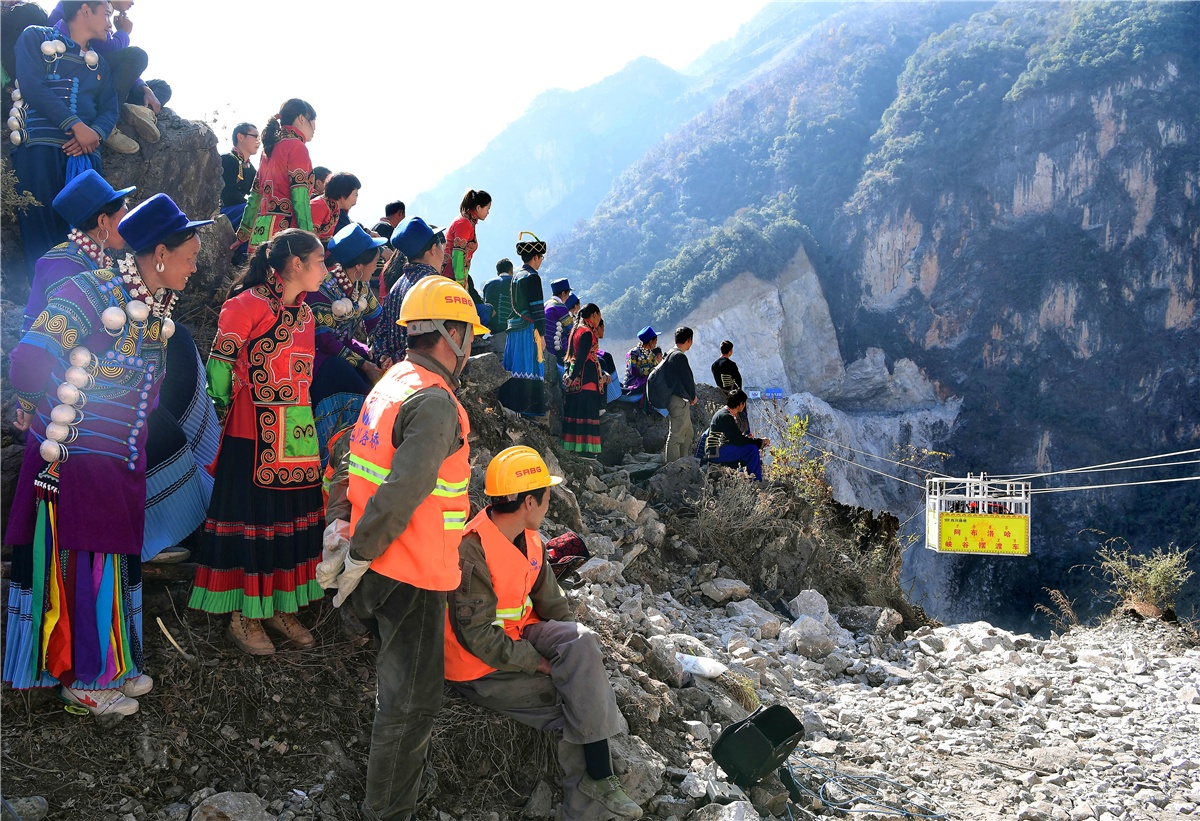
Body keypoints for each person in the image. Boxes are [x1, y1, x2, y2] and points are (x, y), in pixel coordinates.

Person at [4, 192, 212, 716]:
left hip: (119, 457)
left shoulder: (154, 309)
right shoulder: (86, 292)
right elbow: (29, 358)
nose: (196, 265)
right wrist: (35, 406)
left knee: (113, 558)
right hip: (74, 452)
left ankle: (113, 664)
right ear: (159, 254)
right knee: (86, 557)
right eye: (190, 255)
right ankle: (84, 680)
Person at [320, 276, 487, 821]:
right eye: (467, 334)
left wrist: (341, 528)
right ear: (452, 334)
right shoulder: (435, 402)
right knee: (410, 706)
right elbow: (404, 492)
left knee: (398, 695)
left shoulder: (392, 381)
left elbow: (353, 462)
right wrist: (360, 547)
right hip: (411, 571)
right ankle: (387, 812)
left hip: (383, 566)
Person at [444, 447, 644, 819]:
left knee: (580, 642)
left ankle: (599, 783)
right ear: (530, 502)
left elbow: (554, 606)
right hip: (479, 667)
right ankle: (591, 798)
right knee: (570, 703)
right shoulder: (472, 551)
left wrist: (568, 649)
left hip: (522, 634)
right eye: (548, 497)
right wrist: (540, 664)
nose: (550, 504)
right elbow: (479, 637)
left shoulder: (530, 538)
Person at [189, 229, 328, 656]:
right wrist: (230, 406)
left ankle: (277, 607)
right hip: (250, 436)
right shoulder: (243, 306)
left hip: (298, 435)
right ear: (296, 265)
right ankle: (243, 615)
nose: (325, 270)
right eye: (319, 261)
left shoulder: (307, 317)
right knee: (254, 521)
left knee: (287, 520)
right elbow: (218, 367)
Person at [9, 1, 120, 274]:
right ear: (85, 10)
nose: (110, 24)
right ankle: (46, 305)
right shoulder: (36, 36)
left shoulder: (101, 64)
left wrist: (94, 134)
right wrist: (75, 126)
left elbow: (109, 108)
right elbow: (32, 85)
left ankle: (82, 300)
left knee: (89, 230)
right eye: (107, 14)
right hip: (40, 149)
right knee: (41, 226)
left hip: (86, 157)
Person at [309, 223, 387, 463]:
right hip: (319, 358)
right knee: (351, 377)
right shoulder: (323, 289)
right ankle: (337, 454)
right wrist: (363, 365)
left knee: (373, 365)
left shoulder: (361, 287)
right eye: (375, 259)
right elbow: (325, 340)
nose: (379, 264)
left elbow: (378, 323)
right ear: (360, 265)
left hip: (343, 348)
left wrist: (382, 354)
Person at [21, 168, 134, 333]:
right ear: (103, 221)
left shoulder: (92, 257)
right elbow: (60, 332)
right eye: (124, 220)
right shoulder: (64, 265)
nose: (128, 228)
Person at [47, 0, 169, 149]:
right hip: (78, 68)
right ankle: (108, 125)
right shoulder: (88, 8)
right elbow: (106, 49)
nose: (133, 2)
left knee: (161, 87)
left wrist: (144, 87)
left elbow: (119, 63)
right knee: (138, 55)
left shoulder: (103, 15)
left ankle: (141, 111)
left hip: (100, 71)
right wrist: (123, 32)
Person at [233, 98, 317, 256]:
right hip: (282, 235)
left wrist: (243, 233)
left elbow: (255, 196)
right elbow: (300, 197)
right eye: (313, 120)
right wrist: (309, 237)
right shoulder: (297, 147)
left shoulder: (269, 149)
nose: (315, 127)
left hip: (259, 232)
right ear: (301, 118)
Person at [370, 217, 446, 366]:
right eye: (441, 246)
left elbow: (380, 332)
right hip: (426, 372)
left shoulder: (397, 286)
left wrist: (385, 357)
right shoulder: (435, 285)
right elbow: (429, 337)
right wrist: (398, 358)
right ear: (433, 249)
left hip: (400, 374)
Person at [498, 232, 548, 418]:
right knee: (529, 365)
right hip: (529, 330)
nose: (541, 260)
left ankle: (511, 406)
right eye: (541, 257)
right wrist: (542, 334)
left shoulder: (517, 276)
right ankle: (528, 410)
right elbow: (537, 308)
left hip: (515, 328)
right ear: (535, 257)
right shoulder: (533, 277)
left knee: (515, 365)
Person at [561, 303, 604, 456]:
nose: (599, 320)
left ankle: (573, 448)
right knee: (587, 414)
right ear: (594, 315)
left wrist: (569, 376)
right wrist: (573, 377)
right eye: (599, 316)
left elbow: (569, 357)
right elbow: (581, 358)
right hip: (587, 379)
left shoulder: (575, 330)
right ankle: (587, 452)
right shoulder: (587, 333)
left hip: (576, 379)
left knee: (575, 413)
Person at [705, 389, 769, 481]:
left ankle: (752, 478)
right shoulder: (725, 416)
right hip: (716, 452)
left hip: (720, 450)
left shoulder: (726, 414)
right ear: (740, 404)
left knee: (750, 450)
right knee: (752, 449)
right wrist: (760, 442)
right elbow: (738, 440)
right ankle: (757, 480)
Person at [661, 327, 697, 462]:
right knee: (676, 436)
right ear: (689, 340)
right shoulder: (679, 356)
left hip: (675, 399)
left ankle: (684, 462)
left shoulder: (670, 353)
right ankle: (673, 469)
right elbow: (687, 378)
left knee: (688, 434)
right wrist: (693, 396)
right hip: (677, 400)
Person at [441, 188, 491, 286]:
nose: (488, 212)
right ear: (478, 208)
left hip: (454, 274)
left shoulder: (468, 222)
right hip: (451, 276)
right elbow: (458, 254)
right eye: (487, 208)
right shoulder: (464, 224)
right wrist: (460, 282)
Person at [220, 122, 259, 221]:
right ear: (240, 137)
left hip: (240, 209)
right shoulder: (226, 159)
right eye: (255, 136)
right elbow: (228, 194)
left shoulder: (250, 168)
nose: (258, 141)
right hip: (223, 211)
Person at [310, 171, 360, 244]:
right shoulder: (319, 206)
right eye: (355, 194)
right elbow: (309, 239)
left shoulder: (335, 208)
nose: (356, 200)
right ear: (344, 192)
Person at [543, 277, 578, 366]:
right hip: (557, 350)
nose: (568, 296)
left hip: (545, 347)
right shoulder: (560, 307)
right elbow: (572, 328)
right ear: (563, 293)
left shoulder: (546, 304)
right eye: (568, 293)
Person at [622, 326, 659, 402]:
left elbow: (656, 367)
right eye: (655, 340)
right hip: (633, 383)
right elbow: (634, 371)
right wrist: (650, 370)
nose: (656, 342)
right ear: (651, 341)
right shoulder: (633, 353)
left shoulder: (651, 354)